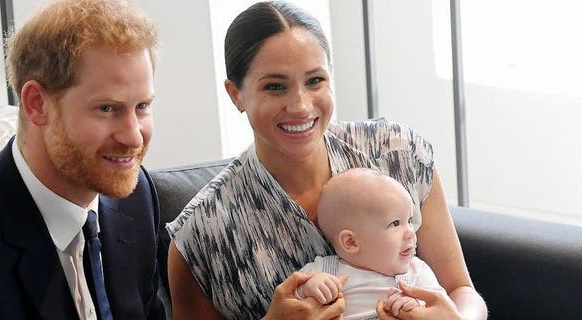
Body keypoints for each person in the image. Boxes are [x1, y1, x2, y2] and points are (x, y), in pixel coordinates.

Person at [167, 1, 487, 319]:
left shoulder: (398, 155)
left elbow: (460, 288)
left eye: (315, 81)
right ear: (235, 94)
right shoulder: (202, 235)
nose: (302, 107)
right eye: (275, 87)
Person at [0, 0, 165, 319]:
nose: (133, 137)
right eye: (107, 108)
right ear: (36, 104)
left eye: (142, 106)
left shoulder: (137, 196)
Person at [294, 168, 454, 319]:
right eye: (395, 223)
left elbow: (441, 308)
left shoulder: (417, 272)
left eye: (410, 221)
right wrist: (307, 289)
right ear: (351, 242)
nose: (411, 232)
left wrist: (418, 305)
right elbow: (291, 305)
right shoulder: (323, 272)